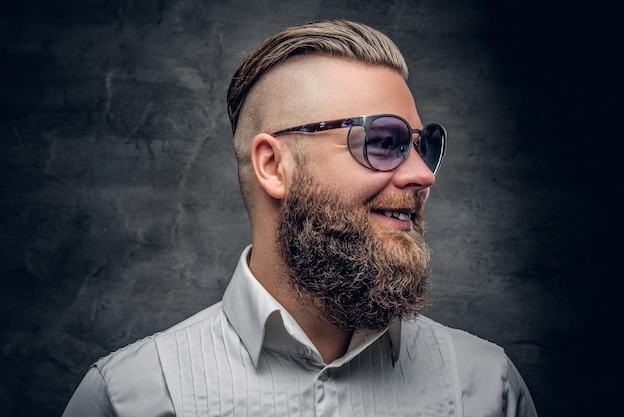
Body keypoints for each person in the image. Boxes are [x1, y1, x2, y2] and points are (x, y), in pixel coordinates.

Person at [62, 19, 537, 417]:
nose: (421, 175)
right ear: (274, 166)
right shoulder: (129, 399)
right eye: (384, 141)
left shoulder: (487, 389)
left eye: (422, 145)